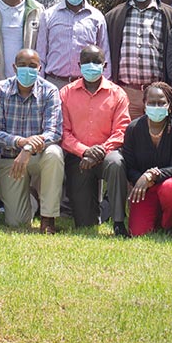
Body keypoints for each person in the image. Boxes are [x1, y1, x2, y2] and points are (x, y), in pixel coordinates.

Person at [0, 48, 65, 233]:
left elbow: (54, 132)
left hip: (38, 158)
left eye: (32, 66)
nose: (27, 70)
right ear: (14, 68)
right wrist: (20, 142)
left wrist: (28, 148)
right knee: (17, 222)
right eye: (22, 65)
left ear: (39, 68)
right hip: (9, 160)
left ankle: (48, 217)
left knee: (54, 154)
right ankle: (31, 196)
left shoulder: (49, 90)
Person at [60, 45, 130, 235]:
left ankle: (118, 221)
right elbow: (64, 133)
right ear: (79, 65)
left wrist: (101, 150)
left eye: (96, 62)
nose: (92, 66)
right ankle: (101, 210)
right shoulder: (66, 93)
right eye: (87, 62)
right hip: (79, 158)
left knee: (117, 163)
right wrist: (84, 151)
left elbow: (122, 130)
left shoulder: (118, 94)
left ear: (104, 65)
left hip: (108, 154)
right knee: (85, 223)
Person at [105, 0, 172, 118]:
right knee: (127, 139)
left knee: (158, 139)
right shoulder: (113, 16)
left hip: (158, 95)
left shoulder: (171, 16)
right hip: (125, 93)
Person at [122, 82, 172, 236]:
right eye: (151, 103)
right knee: (137, 232)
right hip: (145, 188)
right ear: (145, 104)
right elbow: (129, 167)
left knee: (169, 188)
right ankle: (158, 217)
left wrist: (152, 175)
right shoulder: (133, 129)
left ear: (169, 105)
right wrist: (142, 179)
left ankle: (169, 225)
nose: (156, 106)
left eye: (161, 103)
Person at [36, 0, 110, 89]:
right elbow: (41, 54)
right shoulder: (48, 16)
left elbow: (104, 52)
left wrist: (105, 85)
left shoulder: (96, 17)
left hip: (86, 84)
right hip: (54, 83)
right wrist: (39, 83)